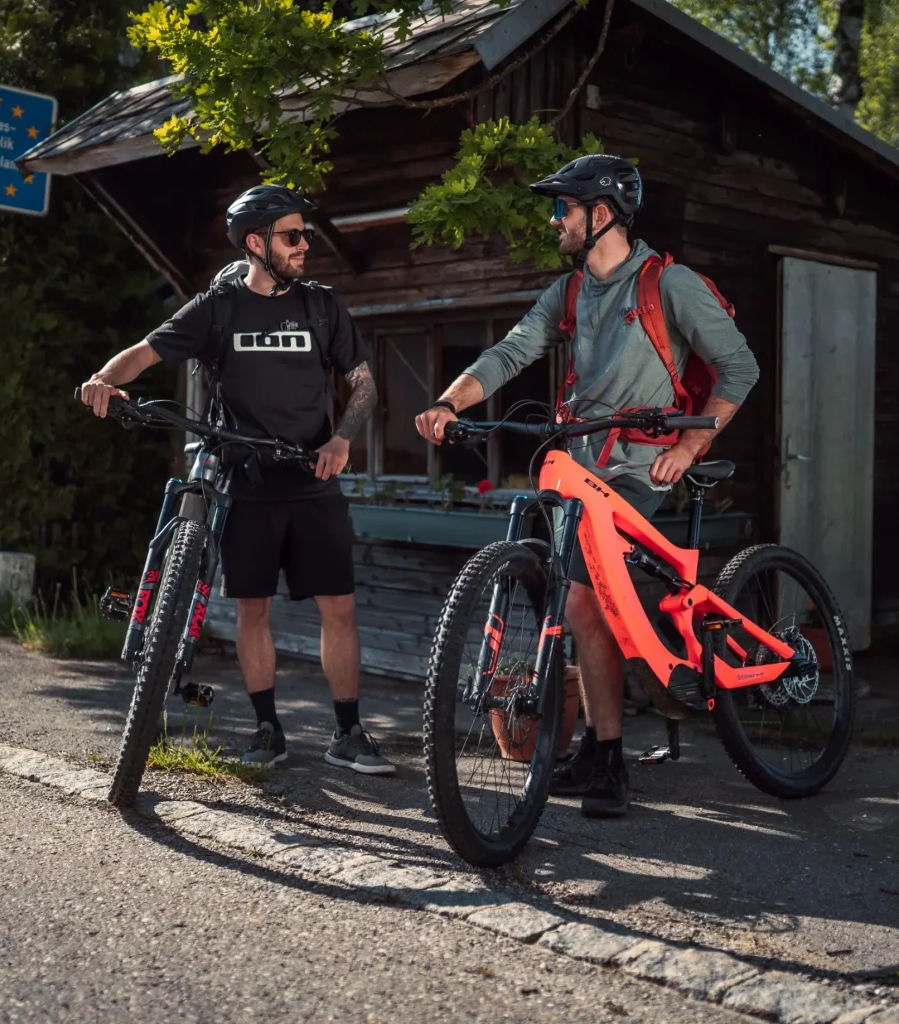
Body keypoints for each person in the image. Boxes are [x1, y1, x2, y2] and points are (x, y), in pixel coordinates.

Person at [415, 155, 758, 817]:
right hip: (577, 469)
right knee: (577, 606)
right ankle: (599, 749)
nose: (554, 220)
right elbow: (511, 350)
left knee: (580, 605)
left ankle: (607, 758)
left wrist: (690, 445)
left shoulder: (667, 283)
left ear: (600, 214)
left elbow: (738, 367)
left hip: (637, 470)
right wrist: (449, 402)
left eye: (562, 208)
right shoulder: (570, 293)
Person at [80, 185, 395, 775]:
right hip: (247, 482)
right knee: (252, 610)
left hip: (313, 478)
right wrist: (102, 378)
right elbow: (146, 353)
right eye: (292, 236)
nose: (306, 245)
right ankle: (267, 730)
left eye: (305, 234)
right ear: (257, 243)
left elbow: (364, 385)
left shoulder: (323, 307)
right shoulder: (216, 308)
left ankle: (349, 734)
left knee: (340, 609)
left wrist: (341, 438)